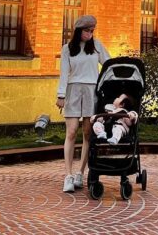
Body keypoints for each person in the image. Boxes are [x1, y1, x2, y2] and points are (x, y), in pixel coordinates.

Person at [56, 14, 110, 193]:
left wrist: (109, 88)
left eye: (92, 31)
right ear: (79, 31)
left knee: (88, 133)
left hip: (91, 91)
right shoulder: (67, 49)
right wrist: (61, 95)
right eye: (87, 31)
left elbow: (109, 65)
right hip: (73, 90)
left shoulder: (97, 46)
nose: (90, 34)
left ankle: (80, 172)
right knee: (71, 132)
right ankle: (68, 175)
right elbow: (64, 73)